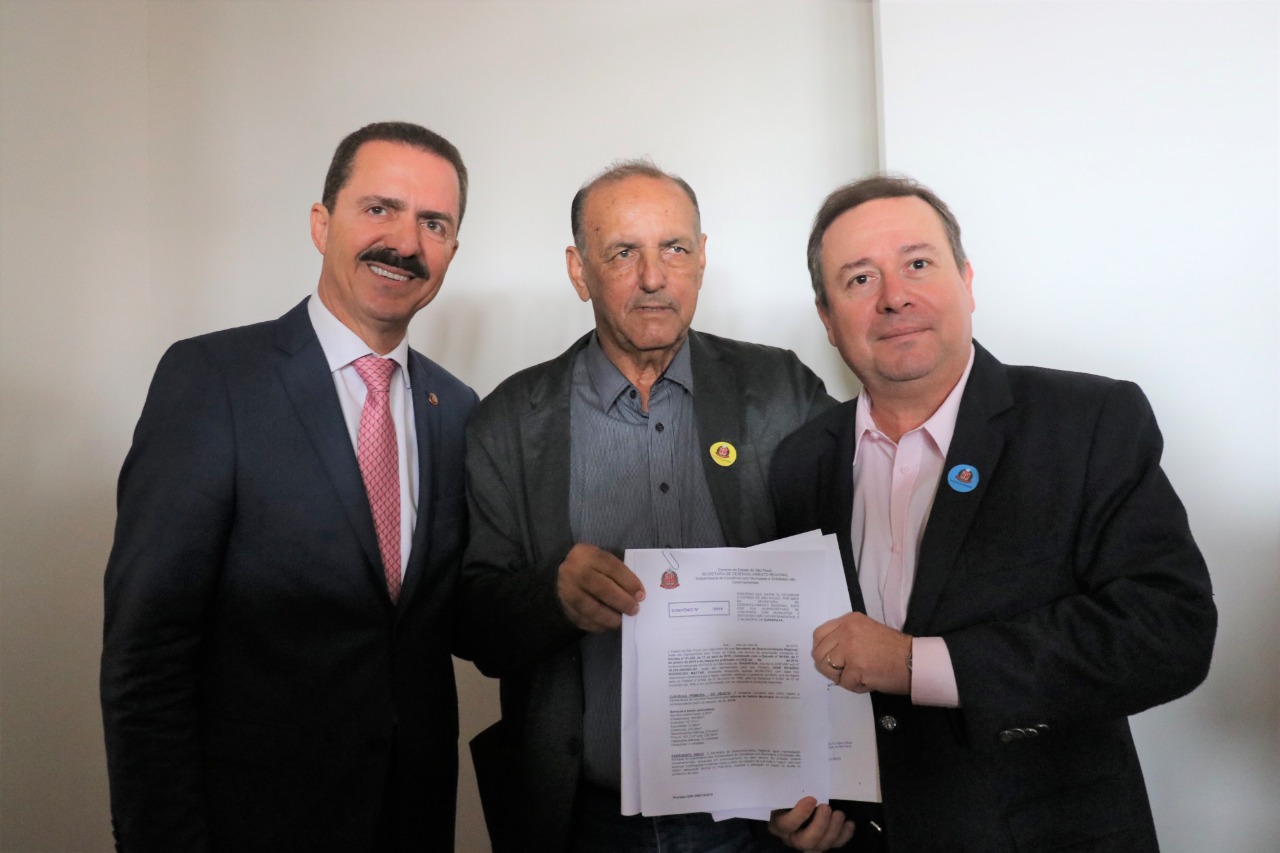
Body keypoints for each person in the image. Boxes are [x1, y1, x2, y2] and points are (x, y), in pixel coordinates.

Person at [766, 175, 1217, 852]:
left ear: (967, 281)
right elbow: (807, 661)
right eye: (859, 279)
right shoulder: (800, 461)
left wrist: (916, 663)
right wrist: (803, 799)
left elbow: (1169, 632)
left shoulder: (1088, 421)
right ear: (828, 319)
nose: (894, 296)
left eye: (918, 264)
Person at [100, 121, 477, 852]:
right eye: (379, 208)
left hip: (411, 820)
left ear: (452, 251)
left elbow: (448, 617)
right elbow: (147, 655)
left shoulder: (457, 408)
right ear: (321, 223)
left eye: (434, 223)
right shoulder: (213, 381)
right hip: (253, 825)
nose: (405, 243)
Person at [458, 160, 835, 852]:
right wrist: (552, 597)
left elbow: (858, 574)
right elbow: (473, 625)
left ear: (702, 258)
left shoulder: (781, 389)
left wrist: (834, 780)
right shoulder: (509, 421)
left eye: (675, 248)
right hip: (585, 824)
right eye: (623, 253)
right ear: (579, 271)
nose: (654, 277)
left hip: (761, 822)